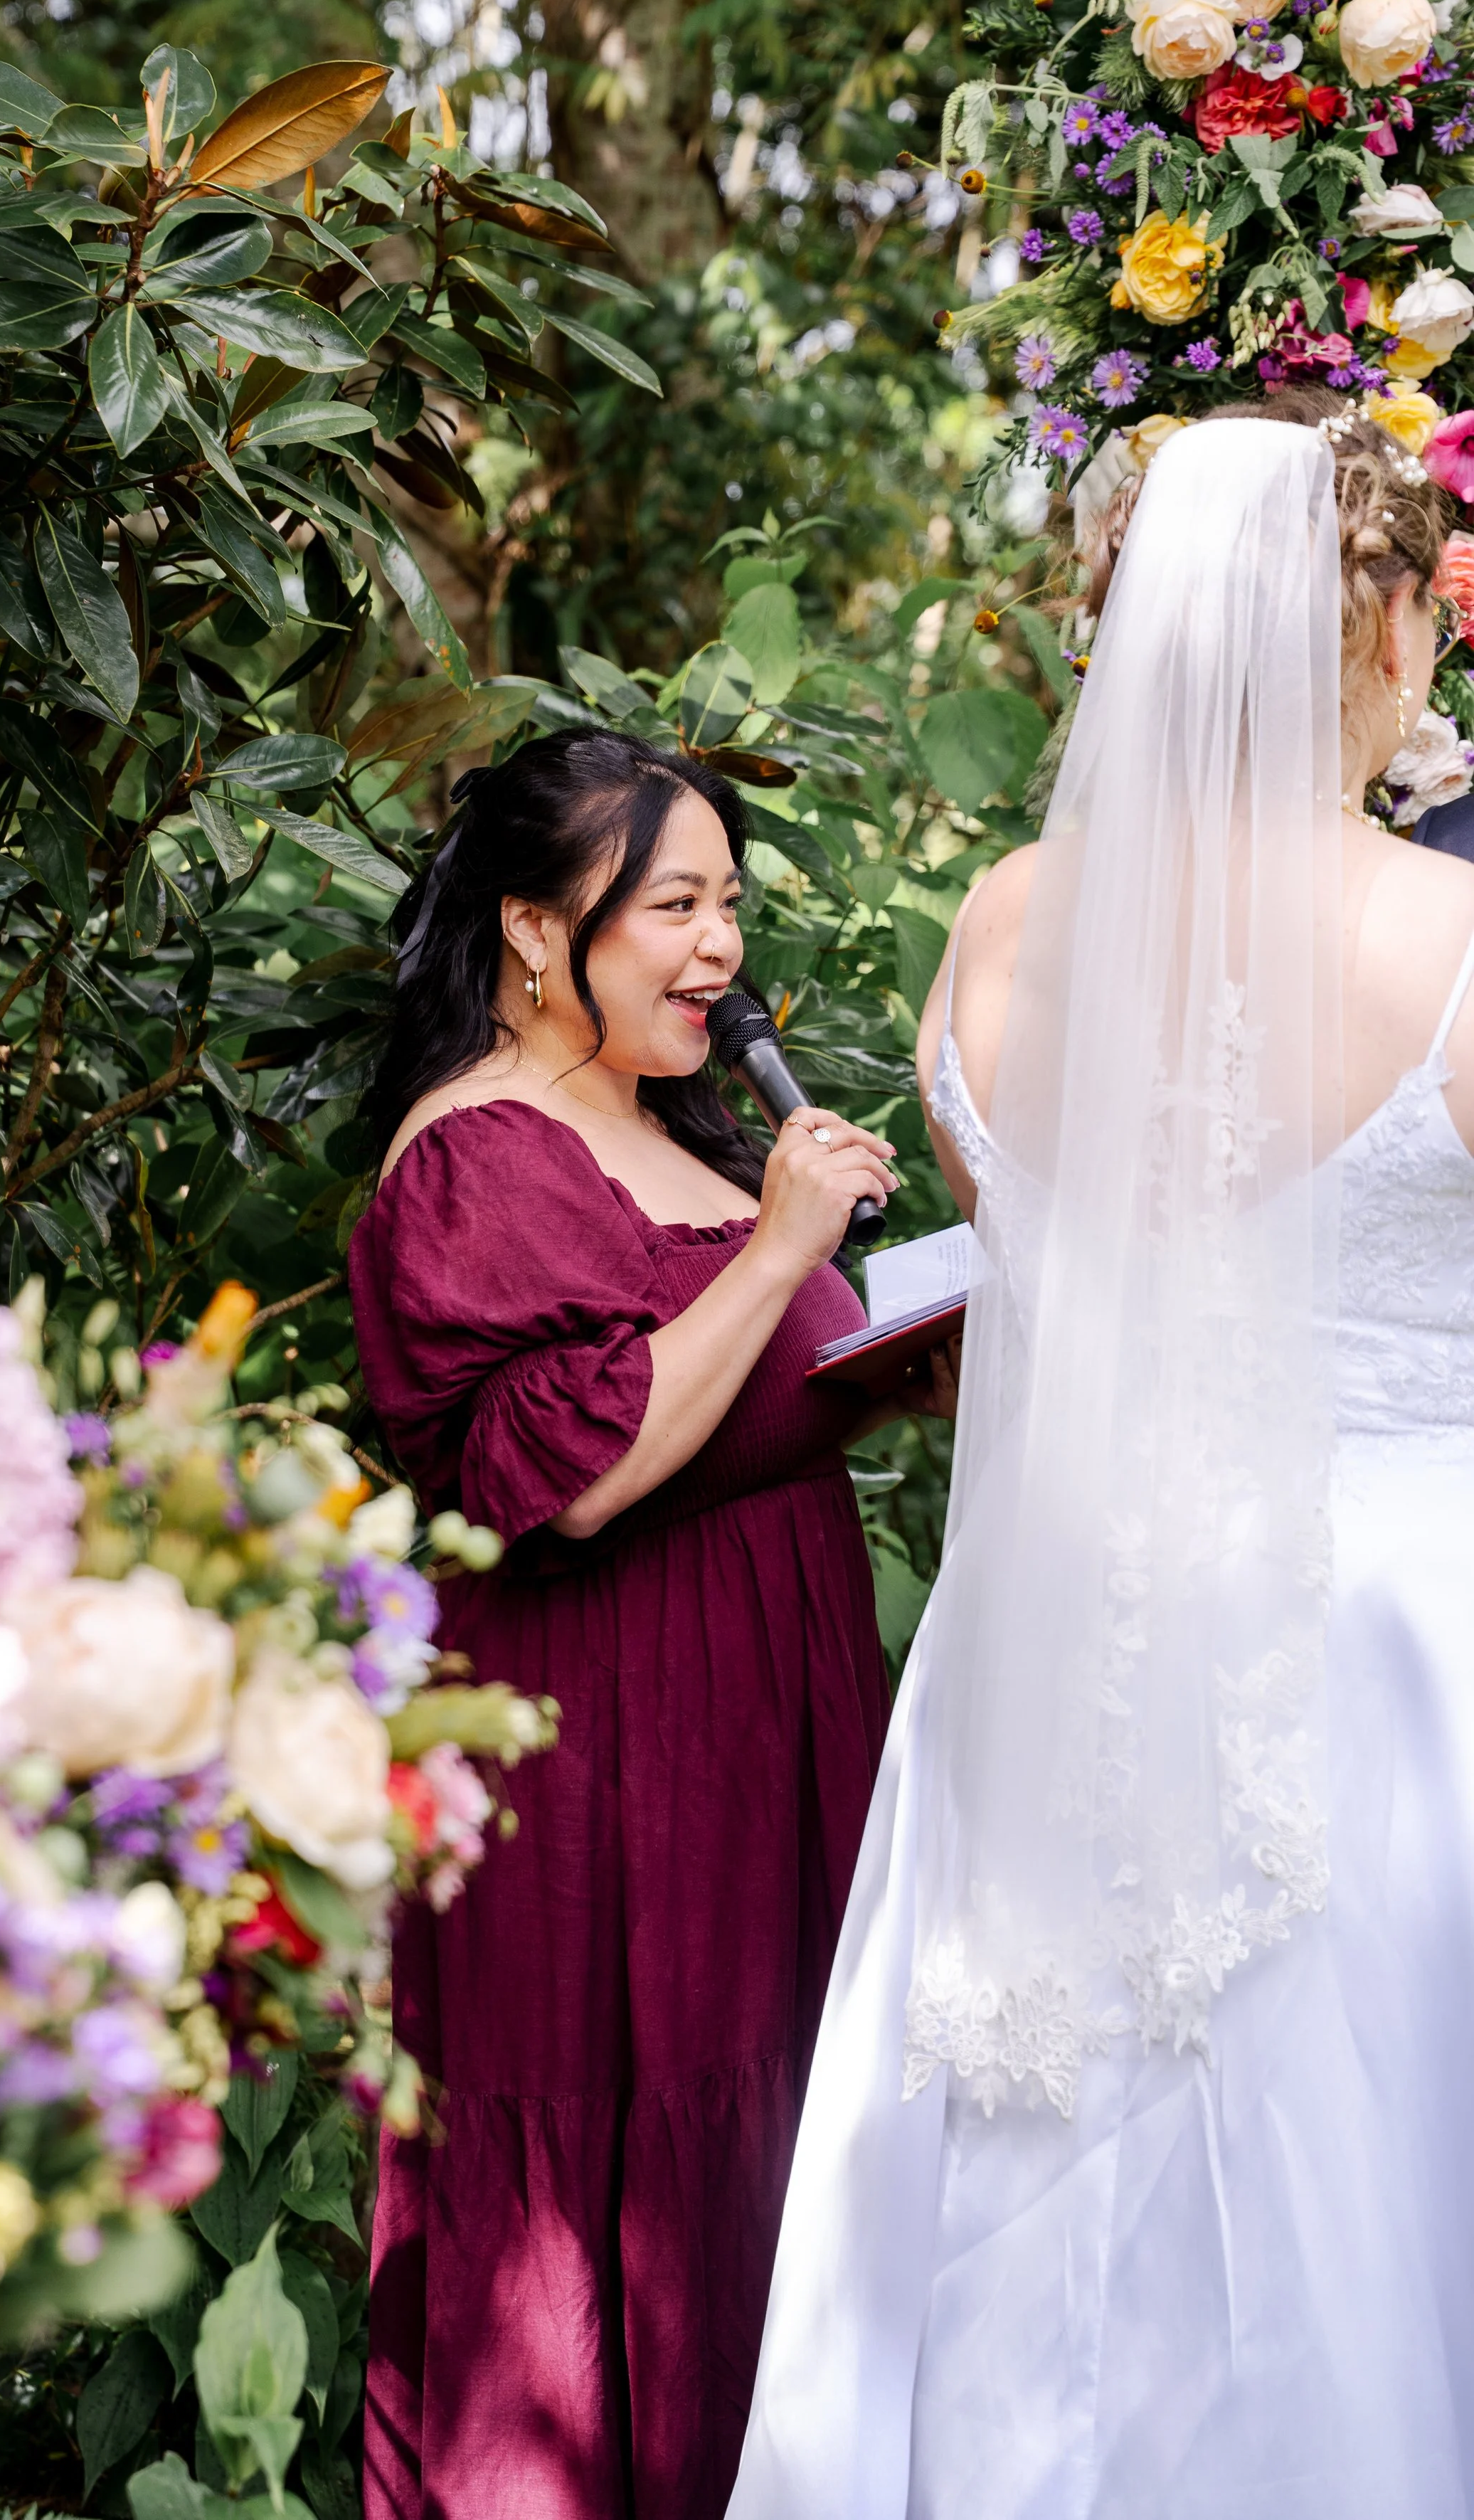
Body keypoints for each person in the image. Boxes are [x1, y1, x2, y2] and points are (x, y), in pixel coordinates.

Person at [728, 398, 1474, 2520]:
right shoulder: (1451, 945)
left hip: (1049, 1644)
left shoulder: (1005, 922)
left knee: (1031, 2146)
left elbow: (1035, 1249)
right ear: (1393, 635)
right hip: (1392, 1651)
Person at [348, 726, 941, 2520]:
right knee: (613, 2167)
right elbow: (567, 1475)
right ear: (536, 932)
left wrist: (896, 1354)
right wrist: (778, 1252)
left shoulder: (668, 1125)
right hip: (605, 1756)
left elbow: (741, 1402)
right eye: (670, 904)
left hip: (771, 1724)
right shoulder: (471, 1156)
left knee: (768, 2177)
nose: (718, 951)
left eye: (729, 906)